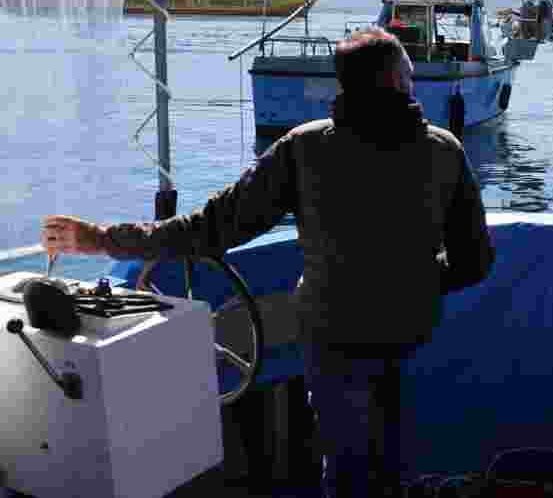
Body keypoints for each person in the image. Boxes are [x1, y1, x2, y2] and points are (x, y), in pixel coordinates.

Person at [41, 27, 496, 498]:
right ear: (404, 80)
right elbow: (475, 261)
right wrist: (416, 282)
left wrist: (102, 239)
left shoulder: (305, 148)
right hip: (408, 328)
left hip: (331, 330)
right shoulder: (444, 151)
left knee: (346, 460)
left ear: (343, 86)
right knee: (388, 451)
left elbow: (213, 227)